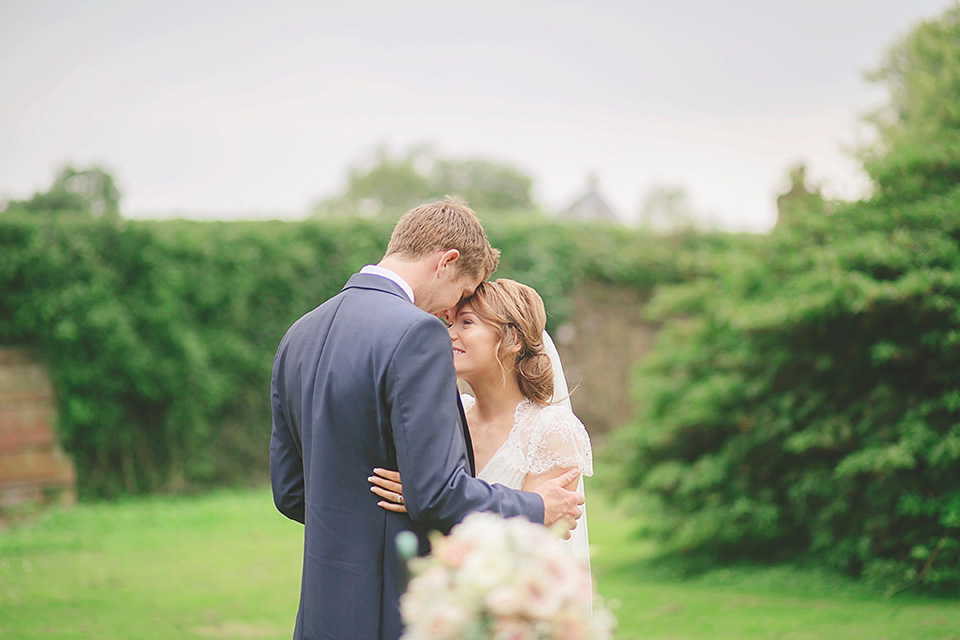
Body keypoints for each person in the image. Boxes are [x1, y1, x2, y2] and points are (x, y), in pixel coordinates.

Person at [270, 197, 584, 640]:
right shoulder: (416, 333)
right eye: (461, 294)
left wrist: (364, 513)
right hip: (391, 612)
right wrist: (536, 506)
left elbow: (289, 492)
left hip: (321, 614)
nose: (449, 314)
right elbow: (436, 494)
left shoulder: (298, 334)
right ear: (447, 261)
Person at [370, 278, 594, 569]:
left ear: (513, 340)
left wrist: (422, 506)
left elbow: (534, 548)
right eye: (451, 324)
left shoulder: (553, 431)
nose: (448, 335)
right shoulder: (450, 415)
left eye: (467, 322)